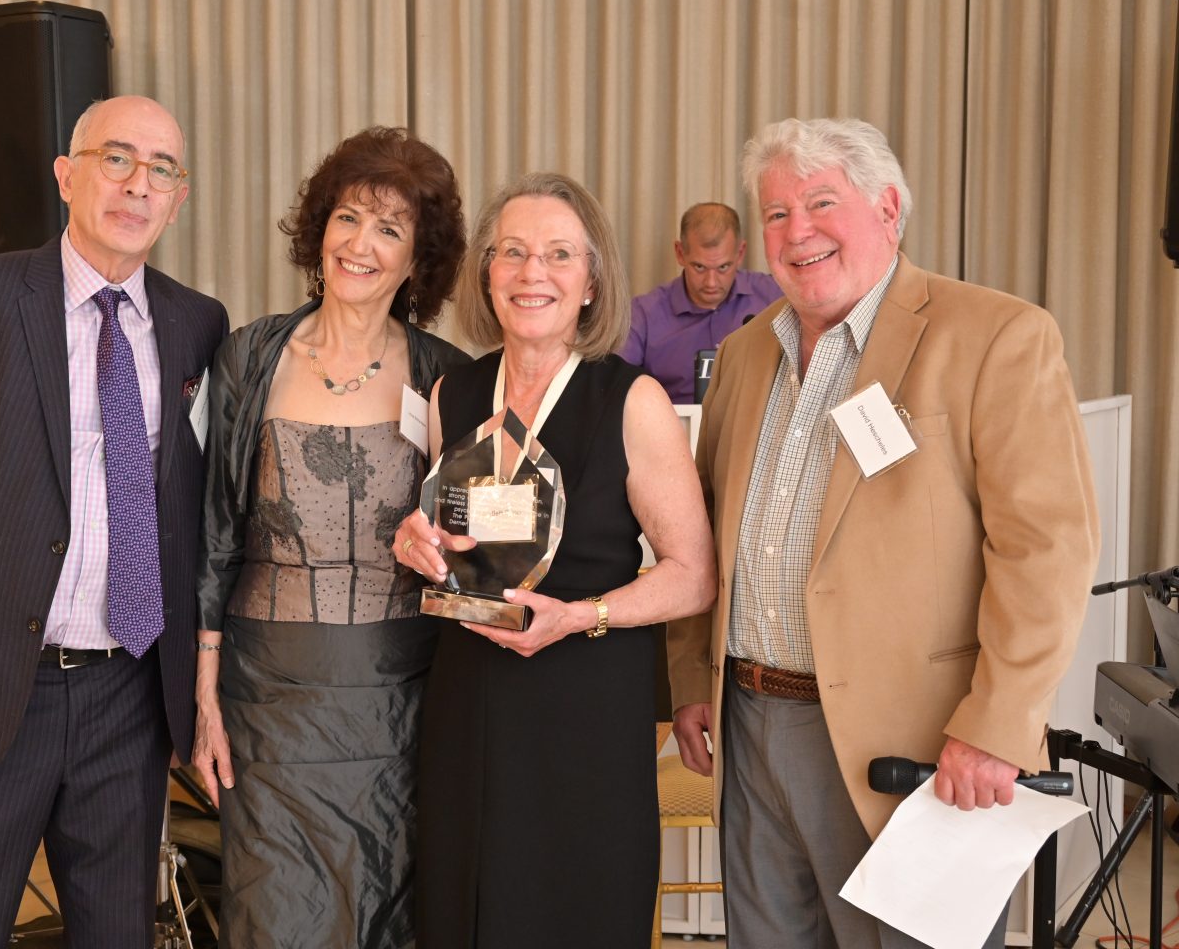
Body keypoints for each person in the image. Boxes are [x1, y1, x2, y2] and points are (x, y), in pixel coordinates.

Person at [666, 117, 1100, 948]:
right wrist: (692, 676)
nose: (798, 233)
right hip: (750, 728)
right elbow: (706, 526)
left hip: (917, 744)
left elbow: (1047, 552)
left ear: (890, 208)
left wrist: (996, 726)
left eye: (822, 202)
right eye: (779, 214)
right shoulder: (746, 352)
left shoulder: (996, 337)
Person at [0, 95, 229, 948]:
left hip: (129, 695)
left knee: (116, 933)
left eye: (162, 170)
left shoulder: (196, 326)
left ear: (181, 199)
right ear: (67, 176)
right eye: (117, 159)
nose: (139, 185)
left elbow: (200, 511)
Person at [394, 172, 717, 948]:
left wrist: (582, 615)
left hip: (586, 698)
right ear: (487, 273)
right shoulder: (454, 392)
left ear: (590, 279)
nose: (532, 273)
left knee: (574, 904)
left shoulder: (630, 400)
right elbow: (458, 540)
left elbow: (693, 575)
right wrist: (418, 541)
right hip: (469, 694)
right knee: (466, 902)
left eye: (558, 255)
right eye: (512, 253)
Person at [191, 126, 470, 948]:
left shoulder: (446, 374)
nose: (361, 244)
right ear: (319, 230)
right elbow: (213, 535)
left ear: (418, 260)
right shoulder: (249, 356)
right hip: (267, 700)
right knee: (275, 913)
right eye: (349, 217)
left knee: (392, 911)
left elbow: (472, 548)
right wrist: (203, 695)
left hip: (403, 696)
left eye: (389, 229)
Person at [619, 202, 782, 403]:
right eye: (699, 267)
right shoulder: (644, 314)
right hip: (673, 428)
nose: (711, 282)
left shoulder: (775, 296)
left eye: (723, 267)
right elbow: (614, 385)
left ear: (740, 254)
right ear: (680, 253)